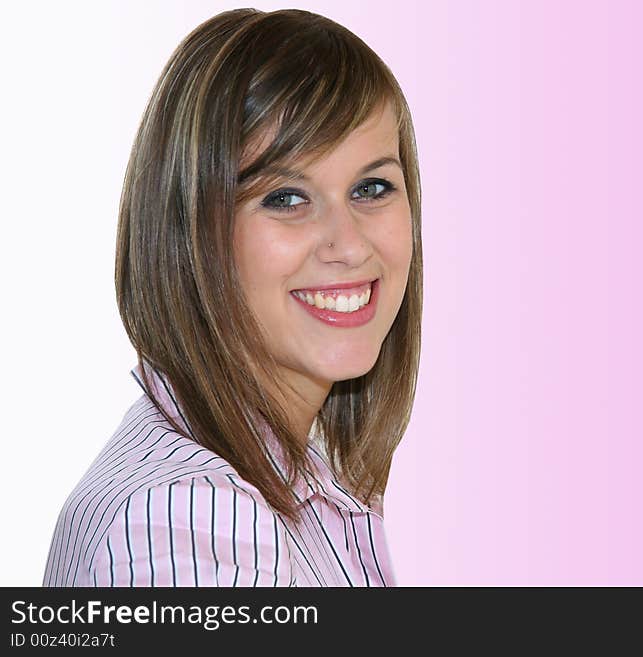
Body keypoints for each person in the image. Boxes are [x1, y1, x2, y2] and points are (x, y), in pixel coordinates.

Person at [42, 8, 422, 587]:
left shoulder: (298, 482)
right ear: (194, 232)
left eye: (371, 188)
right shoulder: (190, 526)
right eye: (286, 198)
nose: (349, 245)